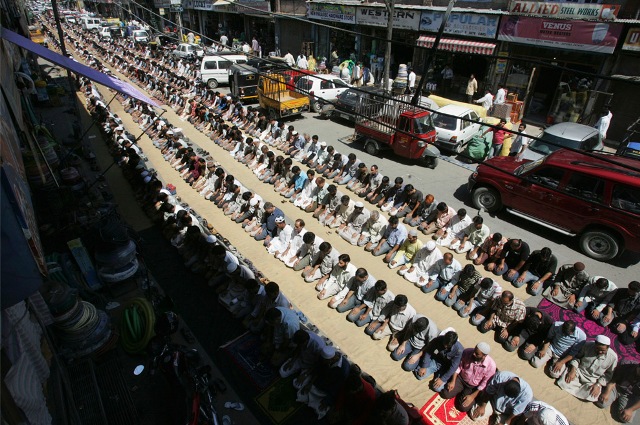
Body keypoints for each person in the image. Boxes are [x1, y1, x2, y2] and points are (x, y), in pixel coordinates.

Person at [295, 345, 351, 420]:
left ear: (331, 360)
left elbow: (337, 387)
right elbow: (317, 370)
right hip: (317, 383)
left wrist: (327, 401)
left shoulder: (344, 369)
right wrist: (310, 383)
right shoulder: (324, 358)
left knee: (319, 410)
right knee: (297, 385)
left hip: (326, 391)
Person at [556, 335, 618, 402]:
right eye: (597, 349)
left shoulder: (613, 357)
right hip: (578, 372)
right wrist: (572, 370)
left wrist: (598, 384)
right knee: (563, 381)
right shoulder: (587, 345)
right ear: (595, 344)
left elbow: (608, 375)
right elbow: (577, 358)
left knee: (592, 396)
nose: (600, 352)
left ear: (608, 348)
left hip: (592, 381)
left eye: (603, 350)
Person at [440, 342, 497, 412]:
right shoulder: (467, 352)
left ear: (484, 356)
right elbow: (458, 366)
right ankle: (459, 391)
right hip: (461, 379)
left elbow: (484, 384)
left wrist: (472, 396)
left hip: (473, 387)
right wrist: (453, 381)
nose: (473, 354)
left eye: (477, 354)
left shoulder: (491, 366)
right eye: (474, 351)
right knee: (445, 394)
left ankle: (471, 397)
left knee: (463, 407)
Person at [469, 371, 534, 425]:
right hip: (493, 403)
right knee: (473, 415)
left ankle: (497, 418)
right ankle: (492, 414)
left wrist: (505, 423)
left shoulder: (527, 394)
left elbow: (516, 412)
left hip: (506, 413)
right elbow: (489, 391)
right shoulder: (501, 377)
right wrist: (483, 406)